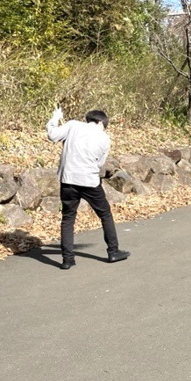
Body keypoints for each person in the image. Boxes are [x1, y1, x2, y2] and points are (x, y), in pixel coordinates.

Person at [46, 107, 130, 270]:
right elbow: (99, 163)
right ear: (100, 122)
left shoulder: (72, 126)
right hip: (89, 181)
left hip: (68, 180)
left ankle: (67, 260)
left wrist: (55, 117)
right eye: (104, 124)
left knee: (68, 217)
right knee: (105, 214)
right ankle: (113, 251)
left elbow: (52, 135)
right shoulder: (104, 138)